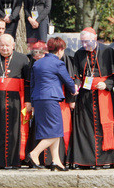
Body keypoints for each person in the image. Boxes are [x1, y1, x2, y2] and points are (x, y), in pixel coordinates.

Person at [70, 27, 114, 169]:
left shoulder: (107, 51)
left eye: (87, 42)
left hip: (104, 94)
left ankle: (107, 160)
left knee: (105, 125)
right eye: (82, 42)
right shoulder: (79, 53)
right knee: (85, 128)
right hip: (85, 97)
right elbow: (77, 76)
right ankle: (87, 161)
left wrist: (107, 84)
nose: (85, 45)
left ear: (95, 38)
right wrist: (75, 86)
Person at [0, 34, 31, 168]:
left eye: (7, 45)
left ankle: (14, 161)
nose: (4, 48)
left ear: (13, 46)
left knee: (14, 131)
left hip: (16, 100)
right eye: (1, 45)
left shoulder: (22, 59)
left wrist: (27, 101)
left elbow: (27, 83)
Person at [28, 37, 77, 171]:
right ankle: (35, 153)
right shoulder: (58, 63)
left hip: (38, 99)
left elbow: (32, 84)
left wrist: (32, 102)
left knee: (52, 129)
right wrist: (74, 90)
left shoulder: (37, 63)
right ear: (60, 49)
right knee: (56, 130)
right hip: (51, 98)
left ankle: (56, 161)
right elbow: (67, 80)